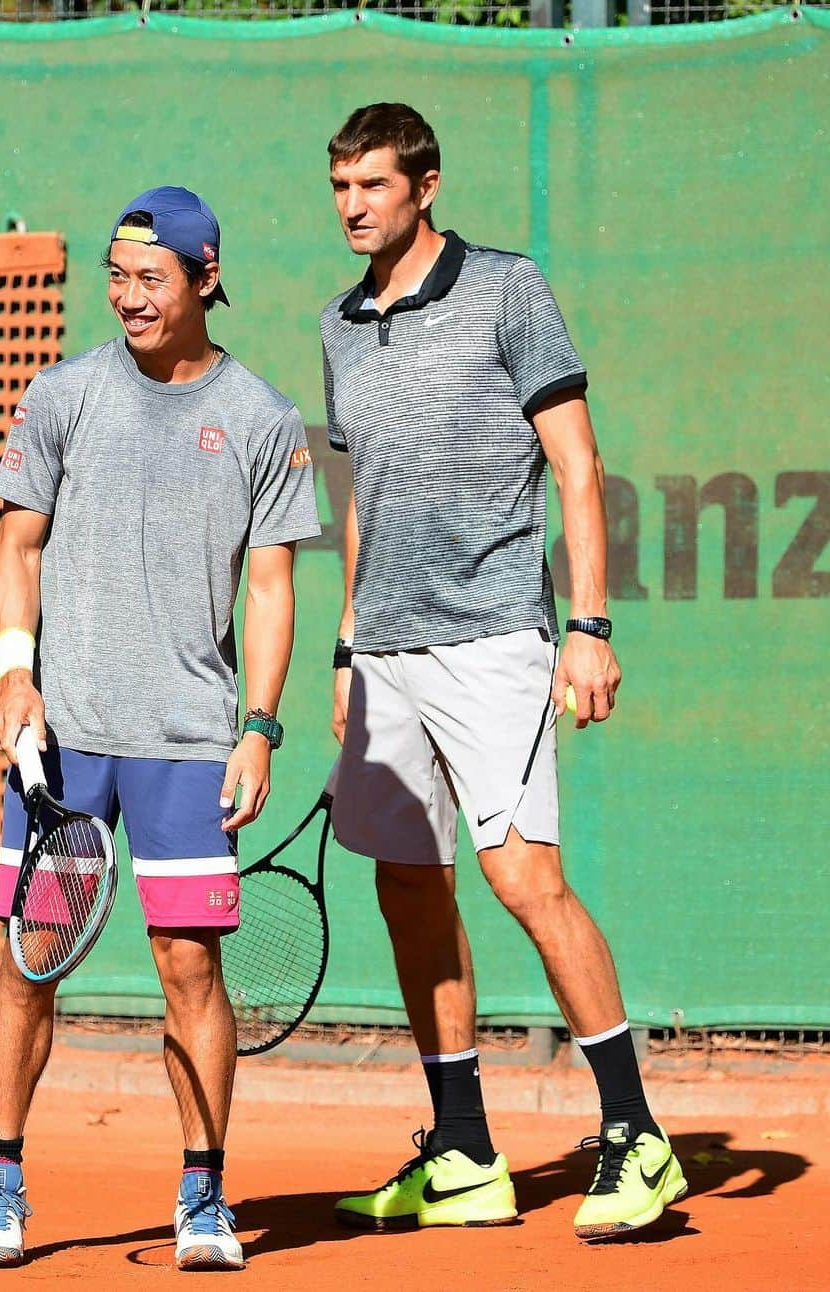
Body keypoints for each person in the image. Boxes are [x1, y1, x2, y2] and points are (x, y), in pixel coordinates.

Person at [320, 104, 687, 1242]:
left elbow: (577, 464)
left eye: (373, 185)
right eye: (339, 187)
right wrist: (345, 642)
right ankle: (467, 1148)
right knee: (406, 886)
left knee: (523, 876)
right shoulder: (338, 323)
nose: (352, 206)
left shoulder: (507, 288)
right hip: (383, 655)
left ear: (425, 185)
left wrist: (588, 623)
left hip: (493, 639)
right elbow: (363, 503)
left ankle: (637, 1135)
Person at [0, 186, 320, 1271]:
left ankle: (204, 1195)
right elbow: (17, 547)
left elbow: (269, 584)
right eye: (116, 278)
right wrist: (15, 677)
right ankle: (0, 1181)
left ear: (206, 278)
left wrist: (258, 725)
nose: (129, 298)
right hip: (64, 745)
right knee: (32, 958)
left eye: (151, 279)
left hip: (185, 744)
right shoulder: (63, 393)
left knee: (189, 966)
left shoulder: (260, 417)